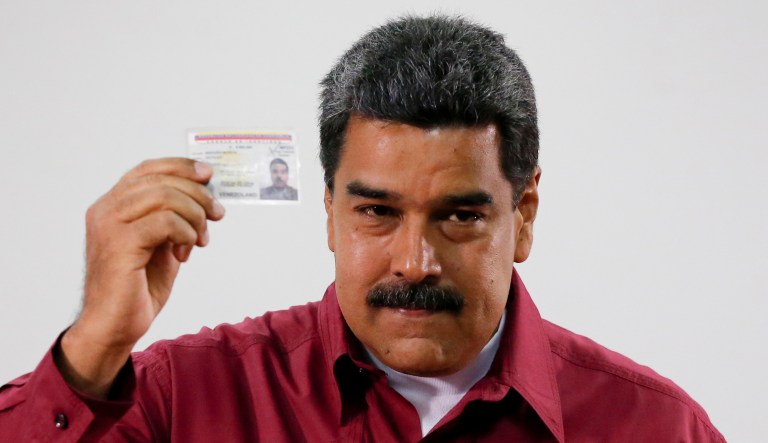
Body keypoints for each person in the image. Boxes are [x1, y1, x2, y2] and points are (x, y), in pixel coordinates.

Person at [0, 15, 724, 442]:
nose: (416, 261)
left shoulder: (658, 427)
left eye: (460, 216)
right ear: (328, 209)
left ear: (523, 215)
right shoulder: (178, 401)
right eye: (377, 212)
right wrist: (94, 344)